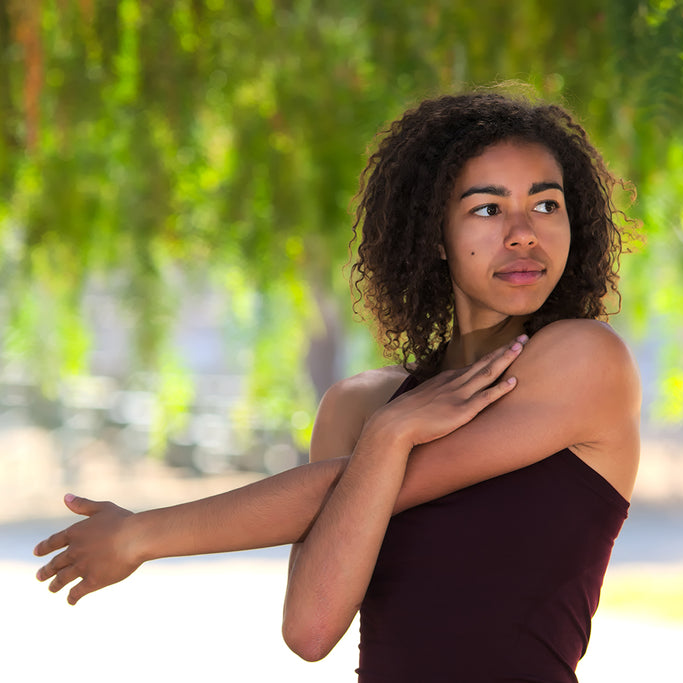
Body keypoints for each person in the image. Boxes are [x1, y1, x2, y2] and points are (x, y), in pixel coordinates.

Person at [34, 89, 640, 682]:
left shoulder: (583, 361)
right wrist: (389, 430)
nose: (522, 232)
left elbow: (382, 481)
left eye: (546, 204)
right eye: (487, 208)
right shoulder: (360, 405)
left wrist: (141, 534)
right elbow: (311, 628)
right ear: (434, 235)